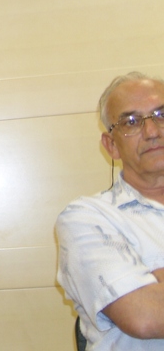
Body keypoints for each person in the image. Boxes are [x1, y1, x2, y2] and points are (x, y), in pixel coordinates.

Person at [56, 72, 164, 350]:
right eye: (131, 122)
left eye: (161, 114)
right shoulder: (86, 218)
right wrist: (148, 295)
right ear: (111, 145)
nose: (153, 132)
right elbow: (144, 317)